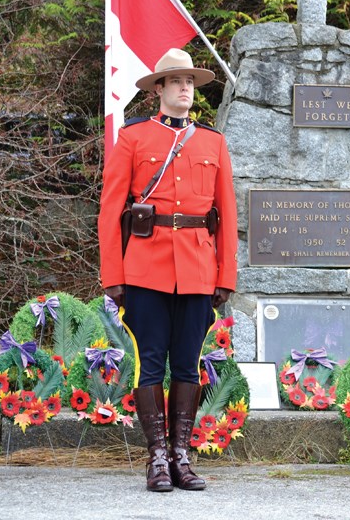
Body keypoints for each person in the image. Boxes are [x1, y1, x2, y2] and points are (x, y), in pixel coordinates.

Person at [98, 48, 238, 492]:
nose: (184, 88)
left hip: (197, 267)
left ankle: (181, 455)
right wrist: (113, 276)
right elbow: (110, 211)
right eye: (175, 81)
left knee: (189, 365)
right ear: (157, 88)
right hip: (145, 267)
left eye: (190, 82)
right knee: (150, 363)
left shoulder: (213, 142)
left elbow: (228, 214)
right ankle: (156, 457)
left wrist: (225, 275)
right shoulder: (134, 138)